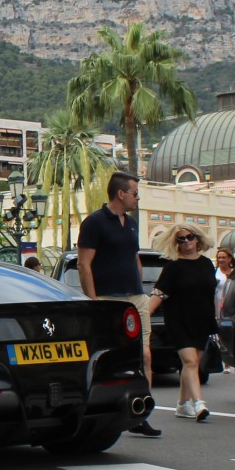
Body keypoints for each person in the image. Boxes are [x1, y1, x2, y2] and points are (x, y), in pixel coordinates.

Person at [78, 171, 162, 438]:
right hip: (106, 299)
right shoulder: (94, 223)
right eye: (135, 193)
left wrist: (138, 286)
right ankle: (99, 410)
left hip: (135, 297)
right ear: (121, 194)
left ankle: (141, 413)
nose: (138, 198)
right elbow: (84, 264)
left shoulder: (133, 223)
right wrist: (93, 301)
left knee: (145, 355)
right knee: (108, 358)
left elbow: (134, 256)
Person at [147, 222, 217, 422]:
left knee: (192, 364)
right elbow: (158, 296)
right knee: (190, 361)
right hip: (179, 321)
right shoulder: (173, 267)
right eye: (181, 239)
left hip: (202, 320)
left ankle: (182, 404)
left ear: (197, 239)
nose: (186, 241)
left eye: (190, 237)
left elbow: (210, 294)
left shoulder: (206, 264)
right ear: (175, 242)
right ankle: (199, 404)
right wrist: (143, 319)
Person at [213, 247, 235, 373]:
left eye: (223, 257)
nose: (221, 259)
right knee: (221, 333)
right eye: (219, 257)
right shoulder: (215, 272)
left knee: (233, 332)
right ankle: (226, 364)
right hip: (218, 305)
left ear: (229, 259)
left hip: (231, 305)